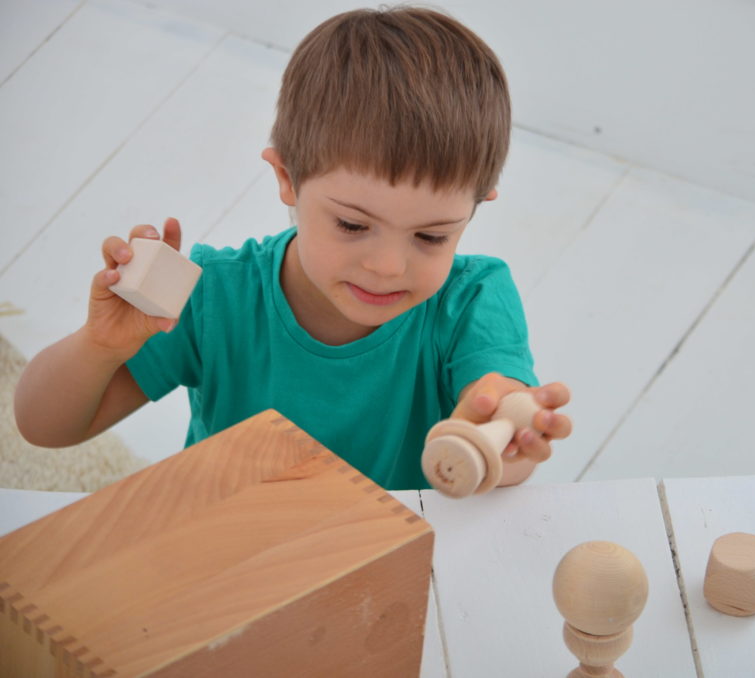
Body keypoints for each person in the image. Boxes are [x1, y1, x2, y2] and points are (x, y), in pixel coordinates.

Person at [14, 7, 572, 491]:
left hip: (384, 567)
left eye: (431, 237)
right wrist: (99, 346)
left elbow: (493, 423)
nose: (387, 266)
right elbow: (44, 426)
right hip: (226, 551)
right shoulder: (211, 296)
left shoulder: (473, 300)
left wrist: (505, 437)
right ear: (286, 176)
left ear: (477, 205)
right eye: (353, 225)